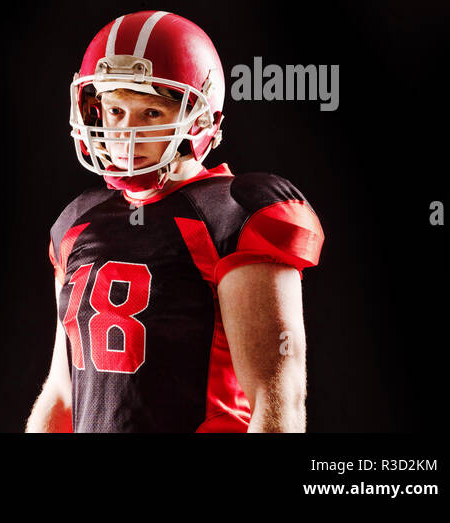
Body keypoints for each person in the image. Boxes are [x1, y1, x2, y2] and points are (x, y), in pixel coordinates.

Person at [25, 10, 324, 432]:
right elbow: (62, 393)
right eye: (115, 112)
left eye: (150, 113)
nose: (126, 133)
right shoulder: (77, 223)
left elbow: (276, 402)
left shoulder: (233, 213)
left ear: (199, 117)